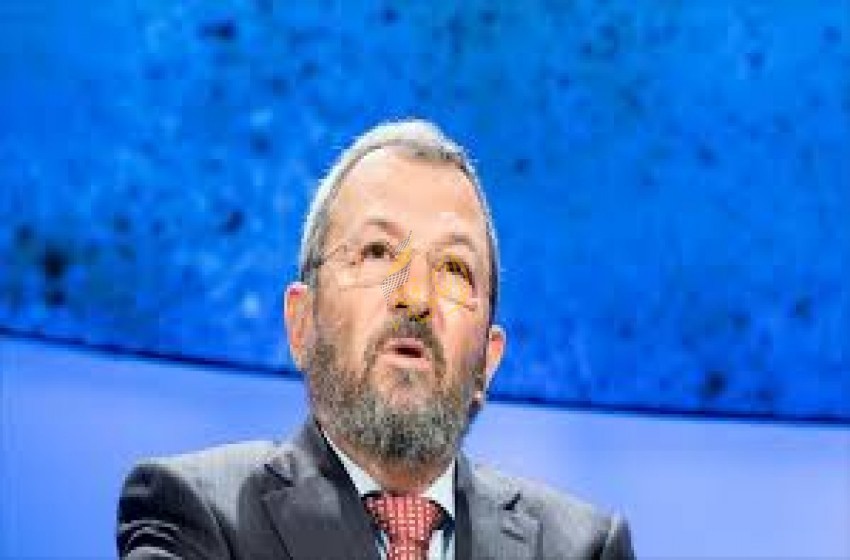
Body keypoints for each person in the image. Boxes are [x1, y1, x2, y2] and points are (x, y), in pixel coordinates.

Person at [116, 119, 636, 560]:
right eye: (378, 253)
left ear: (488, 361)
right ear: (301, 322)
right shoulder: (197, 513)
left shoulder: (582, 549)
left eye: (455, 269)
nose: (416, 296)